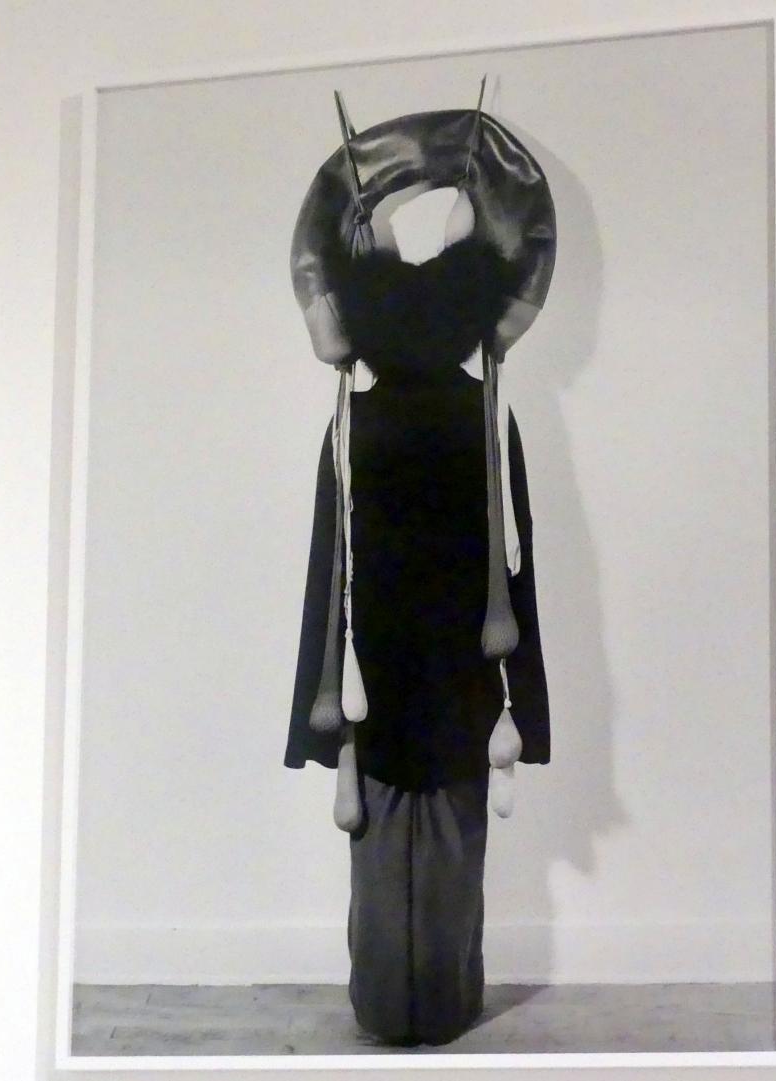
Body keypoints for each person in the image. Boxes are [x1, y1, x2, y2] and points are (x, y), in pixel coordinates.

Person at [283, 92, 556, 1045]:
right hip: (455, 674)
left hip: (380, 676)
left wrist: (321, 702)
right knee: (443, 824)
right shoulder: (482, 415)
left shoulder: (356, 419)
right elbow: (513, 574)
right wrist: (521, 697)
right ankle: (435, 1000)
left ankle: (395, 1002)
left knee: (392, 823)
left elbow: (328, 577)